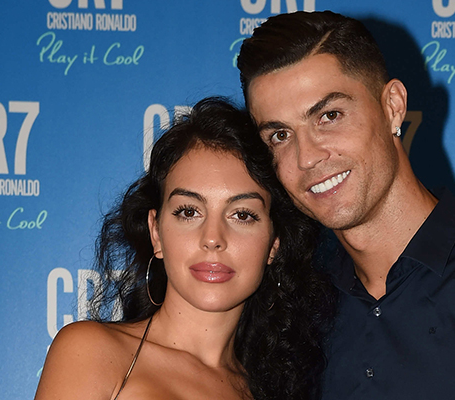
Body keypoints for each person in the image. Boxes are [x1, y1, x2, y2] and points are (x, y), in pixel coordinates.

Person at [237, 10, 455, 400]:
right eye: (280, 135)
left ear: (393, 106)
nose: (306, 157)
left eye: (329, 116)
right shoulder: (295, 314)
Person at [34, 98, 335, 400]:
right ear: (156, 233)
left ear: (273, 244)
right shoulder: (93, 352)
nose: (213, 238)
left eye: (242, 215)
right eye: (189, 212)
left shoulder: (273, 391)